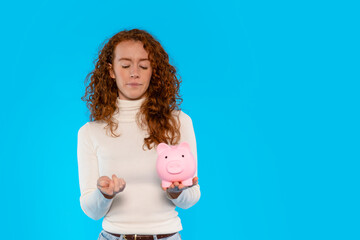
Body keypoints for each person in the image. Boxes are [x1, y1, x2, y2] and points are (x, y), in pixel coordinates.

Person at [77, 28, 201, 240]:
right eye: (125, 65)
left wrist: (176, 192)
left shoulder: (178, 122)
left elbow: (192, 197)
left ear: (154, 71)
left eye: (143, 66)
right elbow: (92, 211)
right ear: (111, 70)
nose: (134, 72)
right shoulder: (90, 133)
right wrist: (104, 194)